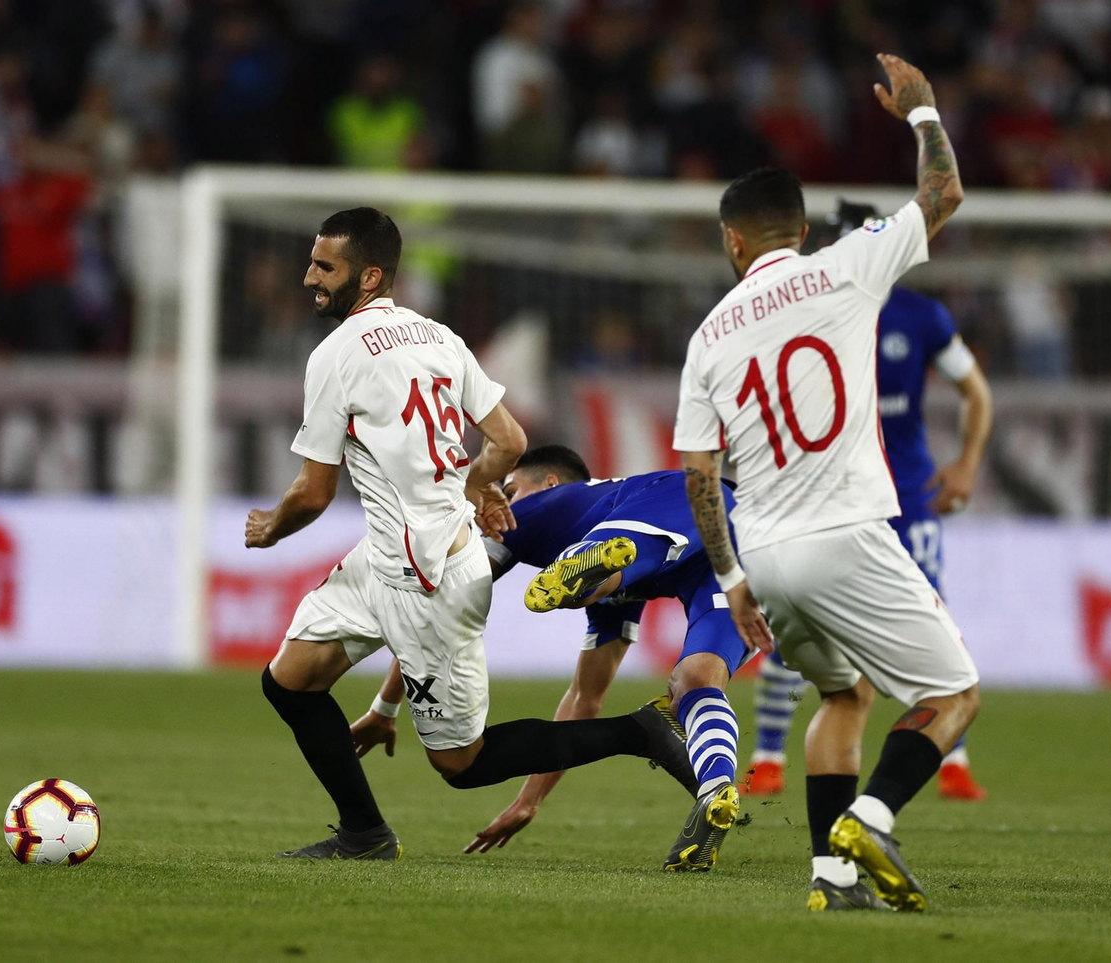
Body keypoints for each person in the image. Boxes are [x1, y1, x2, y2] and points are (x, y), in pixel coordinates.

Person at [249, 208, 694, 861]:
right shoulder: (439, 337)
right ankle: (363, 833)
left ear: (369, 276)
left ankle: (639, 731)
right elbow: (511, 440)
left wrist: (271, 527)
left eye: (325, 266)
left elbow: (312, 494)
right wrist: (475, 484)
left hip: (426, 573)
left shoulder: (334, 355)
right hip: (390, 553)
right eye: (312, 261)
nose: (309, 277)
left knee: (462, 761)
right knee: (289, 680)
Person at [673, 55, 977, 912]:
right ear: (801, 230)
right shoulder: (848, 265)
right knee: (954, 696)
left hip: (764, 557)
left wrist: (731, 581)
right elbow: (943, 194)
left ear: (734, 242)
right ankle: (870, 819)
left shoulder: (708, 335)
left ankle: (831, 878)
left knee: (846, 691)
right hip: (847, 532)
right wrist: (922, 116)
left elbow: (701, 474)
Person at [351, 445, 753, 870]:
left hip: (681, 499)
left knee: (627, 551)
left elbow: (441, 609)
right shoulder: (621, 590)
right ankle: (715, 790)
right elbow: (585, 698)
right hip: (739, 544)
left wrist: (387, 704)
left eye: (510, 489)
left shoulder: (522, 513)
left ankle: (589, 562)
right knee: (697, 680)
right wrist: (529, 801)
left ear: (549, 483)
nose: (503, 500)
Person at [746, 199, 994, 803]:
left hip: (907, 495)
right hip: (831, 499)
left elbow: (976, 392)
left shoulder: (922, 317)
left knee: (932, 617)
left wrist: (966, 463)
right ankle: (767, 755)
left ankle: (952, 758)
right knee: (801, 621)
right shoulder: (801, 315)